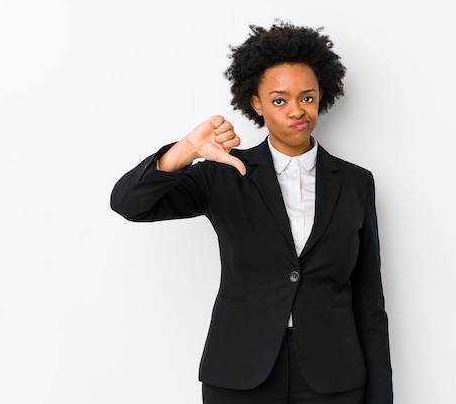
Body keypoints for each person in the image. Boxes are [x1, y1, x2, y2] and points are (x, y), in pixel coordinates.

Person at [110, 20, 393, 404]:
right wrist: (185, 150)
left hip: (335, 375)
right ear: (256, 103)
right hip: (241, 373)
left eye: (307, 98)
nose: (297, 110)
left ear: (321, 96)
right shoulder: (223, 174)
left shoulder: (356, 183)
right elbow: (129, 204)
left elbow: (369, 302)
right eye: (279, 100)